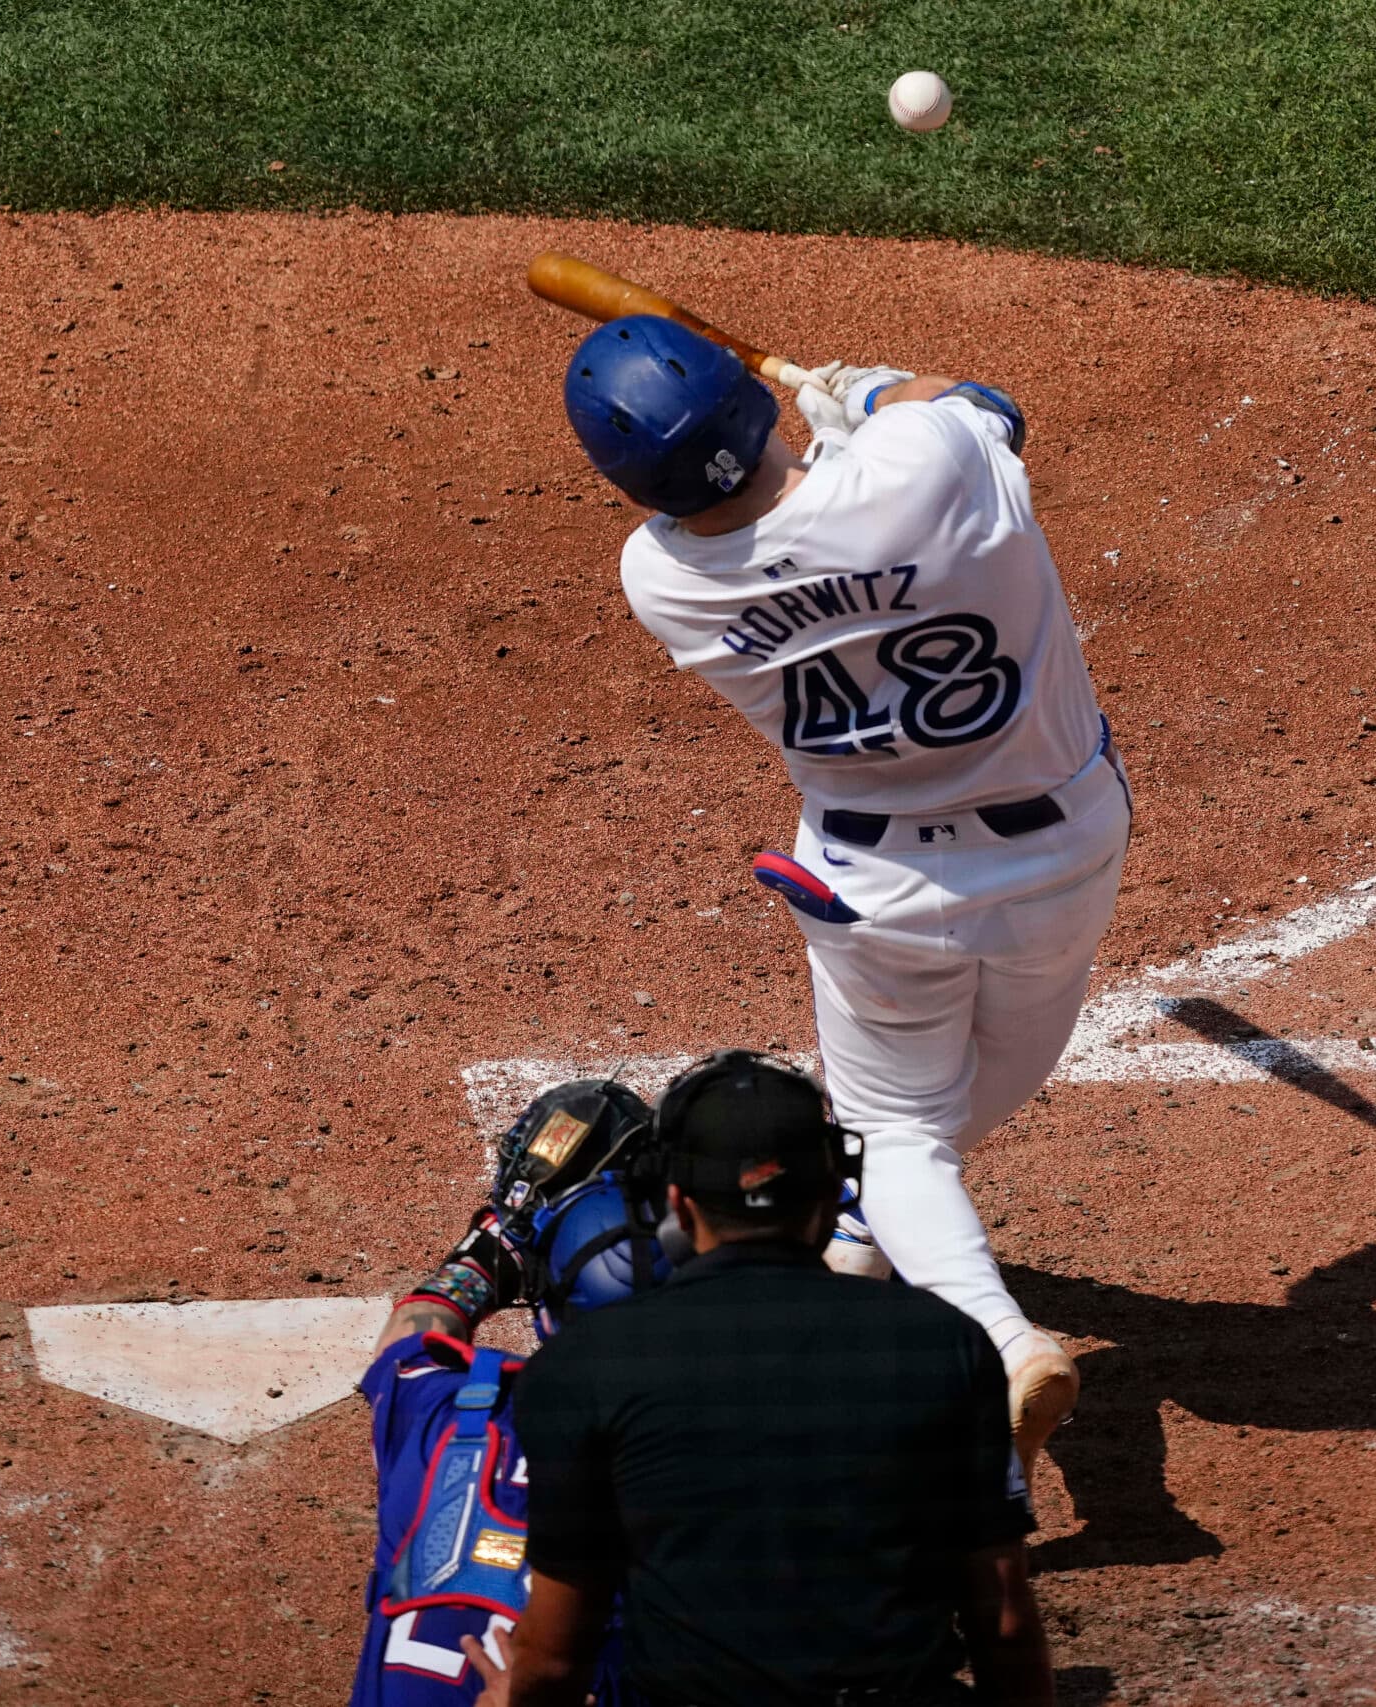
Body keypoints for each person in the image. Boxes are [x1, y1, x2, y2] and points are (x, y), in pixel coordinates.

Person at [560, 316, 1129, 1461]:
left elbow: (786, 531)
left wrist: (837, 424)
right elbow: (980, 397)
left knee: (897, 1133)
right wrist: (856, 391)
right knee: (935, 1124)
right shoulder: (929, 468)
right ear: (746, 406)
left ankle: (974, 1322)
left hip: (879, 890)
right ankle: (893, 1265)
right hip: (1059, 855)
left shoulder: (660, 581)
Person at [478, 1050, 1054, 1707]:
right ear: (833, 1185)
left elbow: (554, 1662)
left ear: (675, 1202)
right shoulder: (945, 1343)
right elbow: (1003, 1624)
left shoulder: (583, 1366)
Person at [347, 1079, 664, 1707]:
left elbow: (411, 1335)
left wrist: (498, 1242)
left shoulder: (444, 1415)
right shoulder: (693, 1489)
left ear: (546, 1317)